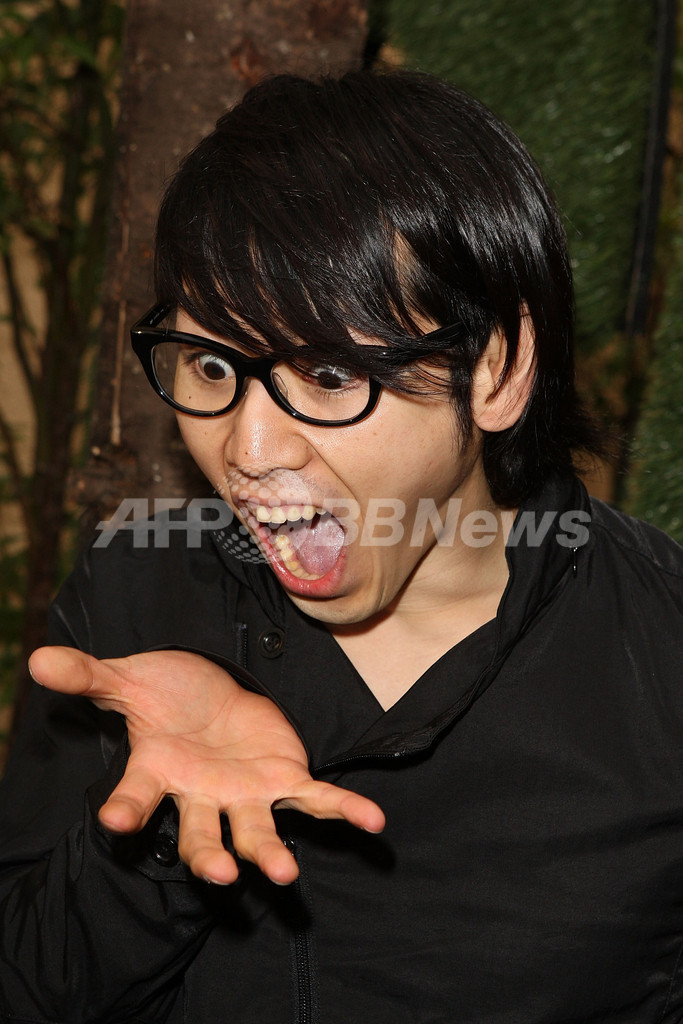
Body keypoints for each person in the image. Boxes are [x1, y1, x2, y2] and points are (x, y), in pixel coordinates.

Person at [0, 68, 682, 1024]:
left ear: (494, 369)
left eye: (326, 373)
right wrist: (154, 843)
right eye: (211, 365)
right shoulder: (138, 594)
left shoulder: (658, 651)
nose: (248, 449)